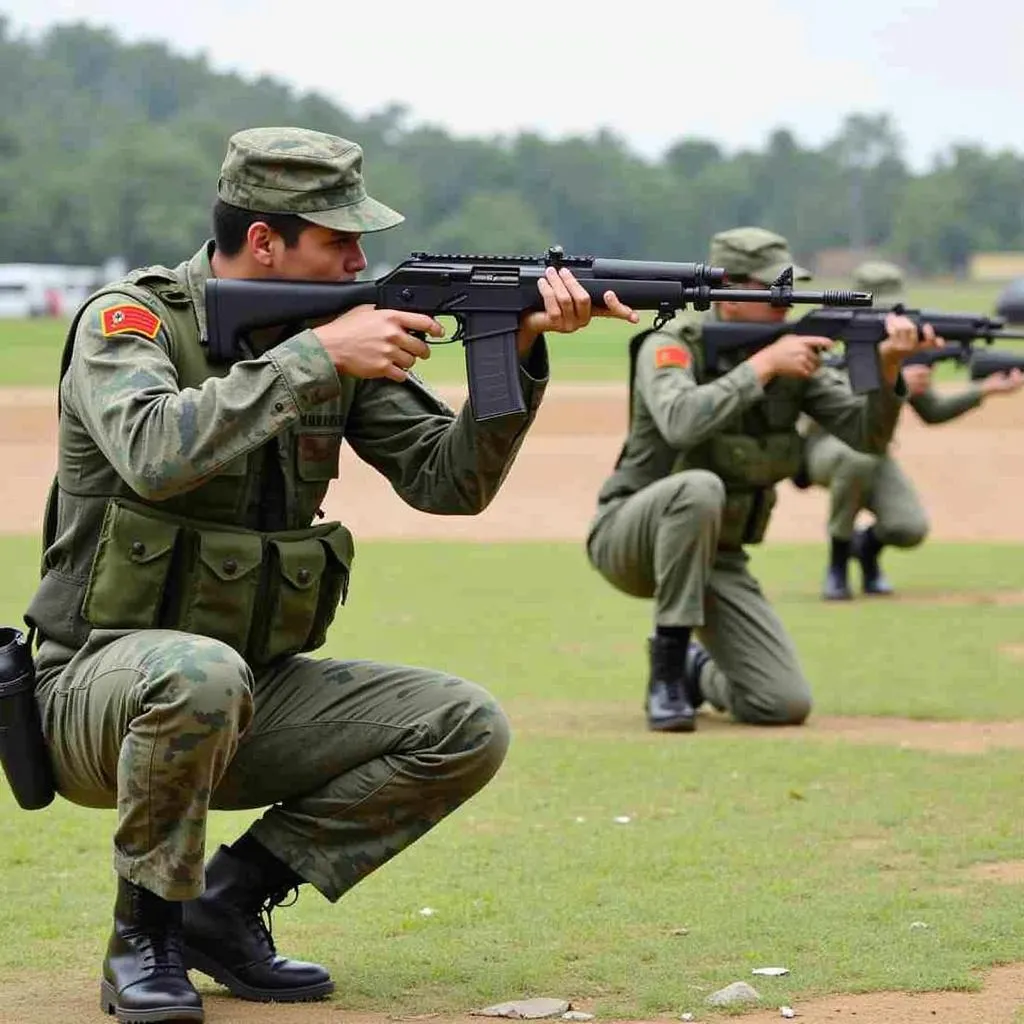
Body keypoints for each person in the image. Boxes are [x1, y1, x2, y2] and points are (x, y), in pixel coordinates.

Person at [25, 126, 637, 1023]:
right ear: (264, 241)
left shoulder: (329, 333)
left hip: (244, 698)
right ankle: (143, 935)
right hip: (94, 692)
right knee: (199, 671)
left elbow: (449, 481)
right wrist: (316, 359)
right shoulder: (134, 322)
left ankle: (224, 906)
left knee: (462, 724)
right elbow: (152, 451)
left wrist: (521, 349)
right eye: (338, 240)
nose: (360, 257)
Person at [585, 227, 930, 734]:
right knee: (698, 487)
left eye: (789, 289)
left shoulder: (795, 356)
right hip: (630, 539)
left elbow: (866, 437)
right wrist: (763, 366)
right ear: (728, 289)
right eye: (772, 289)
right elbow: (681, 421)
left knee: (782, 703)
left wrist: (887, 367)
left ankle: (694, 674)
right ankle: (666, 675)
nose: (783, 303)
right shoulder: (674, 345)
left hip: (717, 556)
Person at [801, 260, 1024, 600]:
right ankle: (837, 564)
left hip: (873, 451)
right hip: (825, 449)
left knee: (908, 528)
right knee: (858, 458)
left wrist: (986, 390)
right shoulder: (829, 344)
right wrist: (889, 378)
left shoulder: (903, 352)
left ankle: (866, 552)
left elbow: (932, 412)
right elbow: (819, 409)